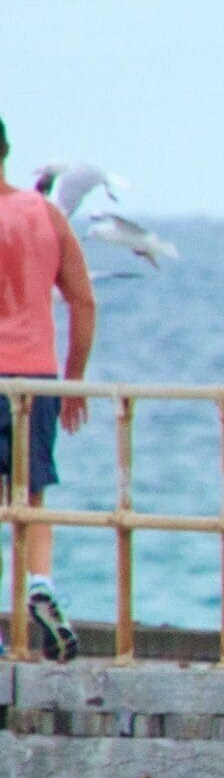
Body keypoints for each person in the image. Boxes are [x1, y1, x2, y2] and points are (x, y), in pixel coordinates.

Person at [0, 116, 99, 660]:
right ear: (7, 149)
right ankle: (40, 583)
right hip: (35, 375)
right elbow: (83, 302)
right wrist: (74, 382)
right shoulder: (45, 214)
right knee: (30, 495)